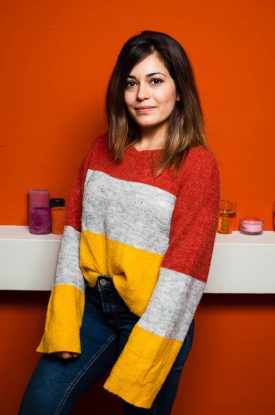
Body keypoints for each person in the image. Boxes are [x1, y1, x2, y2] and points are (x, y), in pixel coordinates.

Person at [19, 30, 220, 414]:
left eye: (156, 81)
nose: (142, 94)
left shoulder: (196, 164)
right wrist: (64, 321)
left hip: (155, 317)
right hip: (93, 308)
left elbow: (185, 271)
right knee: (38, 407)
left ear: (180, 90)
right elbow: (74, 236)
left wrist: (146, 355)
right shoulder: (100, 149)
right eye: (132, 83)